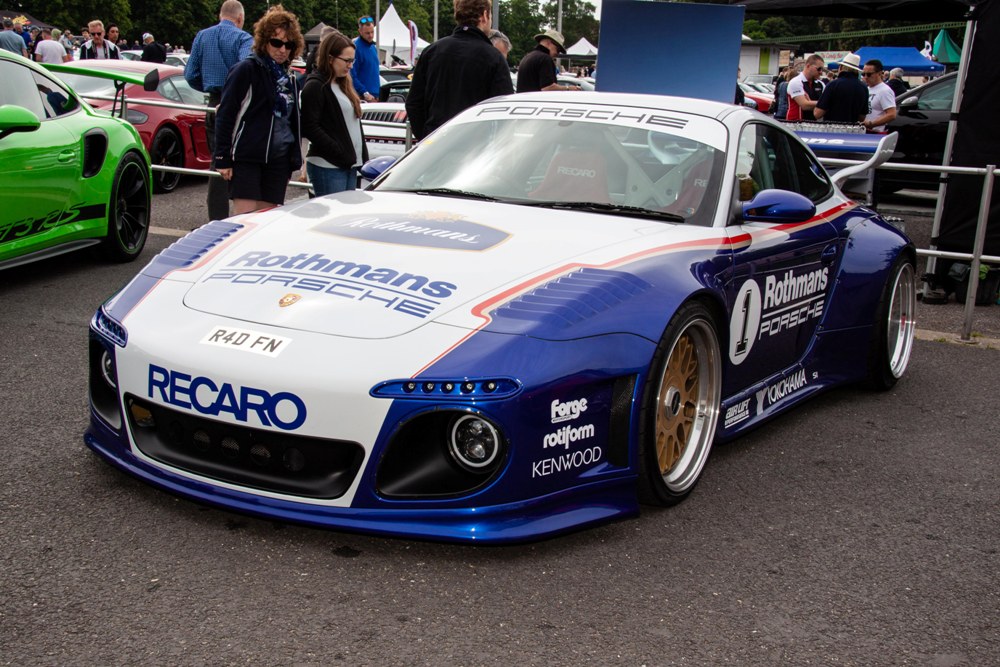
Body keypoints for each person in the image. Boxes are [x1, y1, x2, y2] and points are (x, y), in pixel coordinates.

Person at [213, 4, 304, 214]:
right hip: (248, 156)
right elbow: (226, 114)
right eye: (276, 43)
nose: (282, 49)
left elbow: (292, 120)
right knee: (245, 220)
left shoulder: (290, 78)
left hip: (278, 159)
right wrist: (222, 157)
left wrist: (293, 159)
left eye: (288, 45)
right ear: (264, 41)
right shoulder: (246, 69)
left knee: (267, 221)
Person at [405, 0, 513, 140]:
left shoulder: (431, 52)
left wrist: (426, 137)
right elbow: (504, 109)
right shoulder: (494, 58)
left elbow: (414, 103)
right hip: (475, 144)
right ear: (485, 15)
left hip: (435, 141)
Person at [186, 0, 254, 221]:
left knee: (217, 162)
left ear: (220, 16)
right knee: (244, 160)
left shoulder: (202, 36)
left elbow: (190, 75)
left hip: (213, 102)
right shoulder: (244, 38)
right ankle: (244, 218)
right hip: (239, 104)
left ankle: (217, 220)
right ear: (240, 18)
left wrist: (208, 85)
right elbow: (246, 70)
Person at [301, 30, 368, 196]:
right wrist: (338, 150)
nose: (350, 66)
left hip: (349, 163)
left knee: (347, 211)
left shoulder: (343, 83)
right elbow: (309, 126)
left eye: (352, 61)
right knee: (333, 211)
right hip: (328, 165)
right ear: (330, 58)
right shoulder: (315, 86)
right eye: (346, 60)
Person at [814, 53, 869, 124]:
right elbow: (862, 117)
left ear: (841, 67)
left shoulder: (833, 85)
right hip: (853, 128)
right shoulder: (864, 88)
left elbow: (817, 114)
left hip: (832, 127)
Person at [861, 59, 897, 133]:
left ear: (879, 74)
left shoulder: (885, 90)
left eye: (869, 74)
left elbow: (891, 114)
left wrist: (871, 124)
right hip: (864, 131)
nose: (866, 77)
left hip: (875, 133)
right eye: (863, 74)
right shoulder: (867, 89)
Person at [350, 16, 379, 103]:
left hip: (375, 96)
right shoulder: (355, 48)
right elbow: (351, 75)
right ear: (360, 31)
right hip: (363, 97)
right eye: (367, 33)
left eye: (372, 32)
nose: (371, 35)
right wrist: (364, 92)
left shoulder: (373, 47)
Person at [786, 54, 824, 121]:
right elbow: (804, 105)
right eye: (819, 69)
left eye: (822, 69)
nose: (821, 72)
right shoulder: (796, 82)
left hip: (814, 123)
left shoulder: (821, 84)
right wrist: (824, 103)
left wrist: (813, 102)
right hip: (795, 123)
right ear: (808, 66)